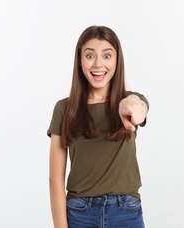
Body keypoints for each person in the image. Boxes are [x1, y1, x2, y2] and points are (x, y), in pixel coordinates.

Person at [47, 25, 149, 228]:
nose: (98, 64)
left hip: (125, 212)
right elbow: (55, 179)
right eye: (90, 56)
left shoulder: (129, 101)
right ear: (79, 60)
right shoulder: (64, 109)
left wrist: (129, 106)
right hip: (79, 213)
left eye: (107, 56)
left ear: (117, 60)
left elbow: (138, 107)